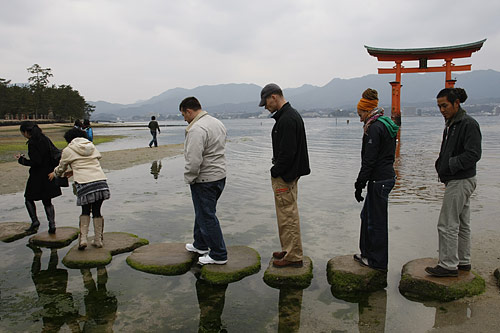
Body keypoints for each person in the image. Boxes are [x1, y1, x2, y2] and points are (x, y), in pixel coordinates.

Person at [425, 87, 481, 277]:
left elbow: (474, 154)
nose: (442, 109)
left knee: (447, 223)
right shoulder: (452, 123)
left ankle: (448, 264)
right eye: (439, 106)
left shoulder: (467, 124)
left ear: (456, 103)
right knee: (462, 222)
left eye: (445, 105)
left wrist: (449, 165)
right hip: (459, 179)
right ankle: (463, 261)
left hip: (460, 179)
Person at [259, 83, 310, 268]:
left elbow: (287, 153)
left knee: (288, 215)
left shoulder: (287, 119)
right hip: (290, 173)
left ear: (273, 97)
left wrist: (275, 171)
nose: (265, 107)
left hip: (285, 175)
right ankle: (288, 249)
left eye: (265, 102)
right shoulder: (289, 115)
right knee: (286, 214)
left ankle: (294, 256)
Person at [353, 88, 398, 272]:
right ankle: (367, 254)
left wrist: (359, 184)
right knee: (366, 216)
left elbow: (369, 161)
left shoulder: (375, 128)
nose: (360, 118)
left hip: (379, 180)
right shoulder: (386, 123)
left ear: (367, 111)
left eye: (360, 114)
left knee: (376, 222)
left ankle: (378, 262)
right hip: (384, 177)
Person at [180, 96, 228, 265]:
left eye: (184, 115)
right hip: (219, 176)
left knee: (207, 216)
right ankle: (200, 244)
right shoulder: (216, 123)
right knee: (203, 212)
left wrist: (189, 178)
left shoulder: (196, 129)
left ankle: (219, 254)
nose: (184, 119)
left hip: (205, 179)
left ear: (189, 111)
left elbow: (193, 160)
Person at [49, 128, 110, 250]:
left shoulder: (68, 150)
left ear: (69, 139)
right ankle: (98, 240)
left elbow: (61, 167)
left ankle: (83, 240)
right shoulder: (91, 146)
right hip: (100, 181)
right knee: (97, 211)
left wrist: (54, 173)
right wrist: (74, 170)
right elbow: (91, 162)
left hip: (84, 183)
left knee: (85, 210)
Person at [16, 121, 62, 234]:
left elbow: (36, 162)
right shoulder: (45, 139)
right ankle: (52, 224)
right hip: (49, 174)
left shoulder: (32, 143)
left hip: (37, 175)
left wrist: (22, 160)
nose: (23, 135)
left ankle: (35, 221)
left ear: (26, 132)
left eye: (23, 133)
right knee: (47, 201)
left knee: (28, 198)